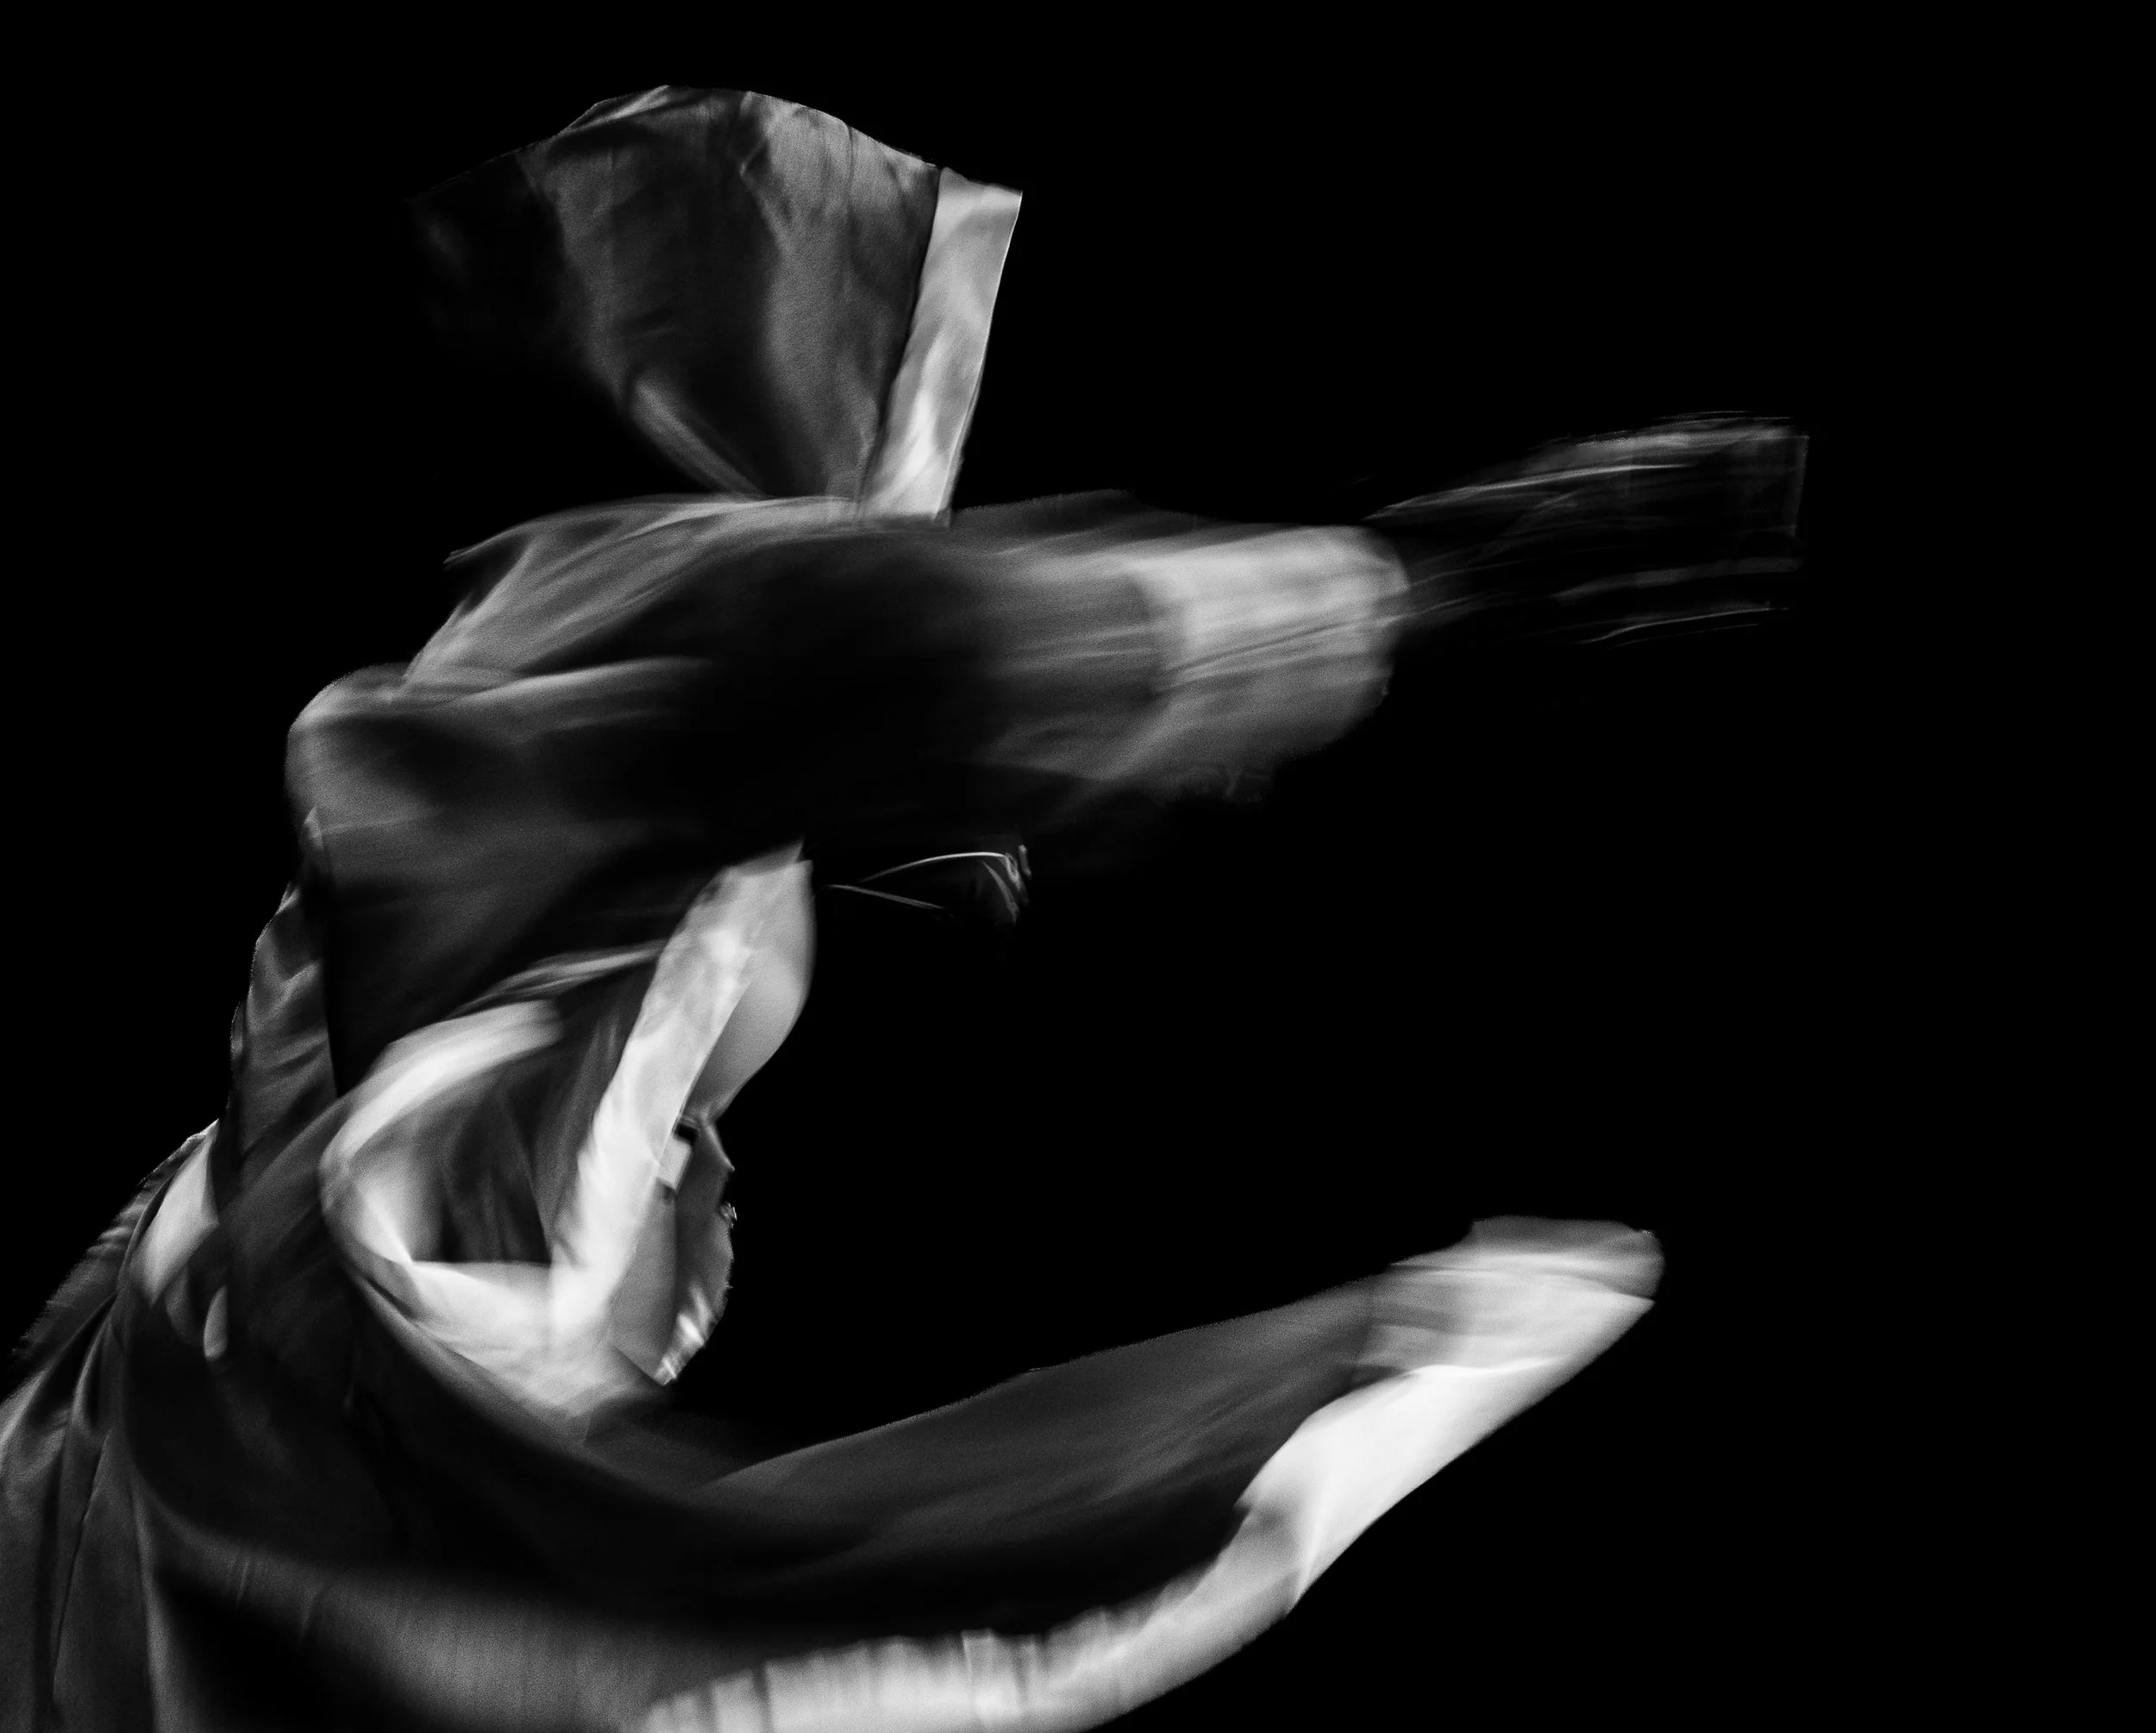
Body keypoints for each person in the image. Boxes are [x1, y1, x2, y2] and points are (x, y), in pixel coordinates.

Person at [0, 86, 1802, 1731]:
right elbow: (989, 639)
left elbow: (912, 706)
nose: (921, 427)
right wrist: (1456, 570)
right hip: (288, 1440)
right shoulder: (704, 597)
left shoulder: (577, 621)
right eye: (895, 345)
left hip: (220, 1398)